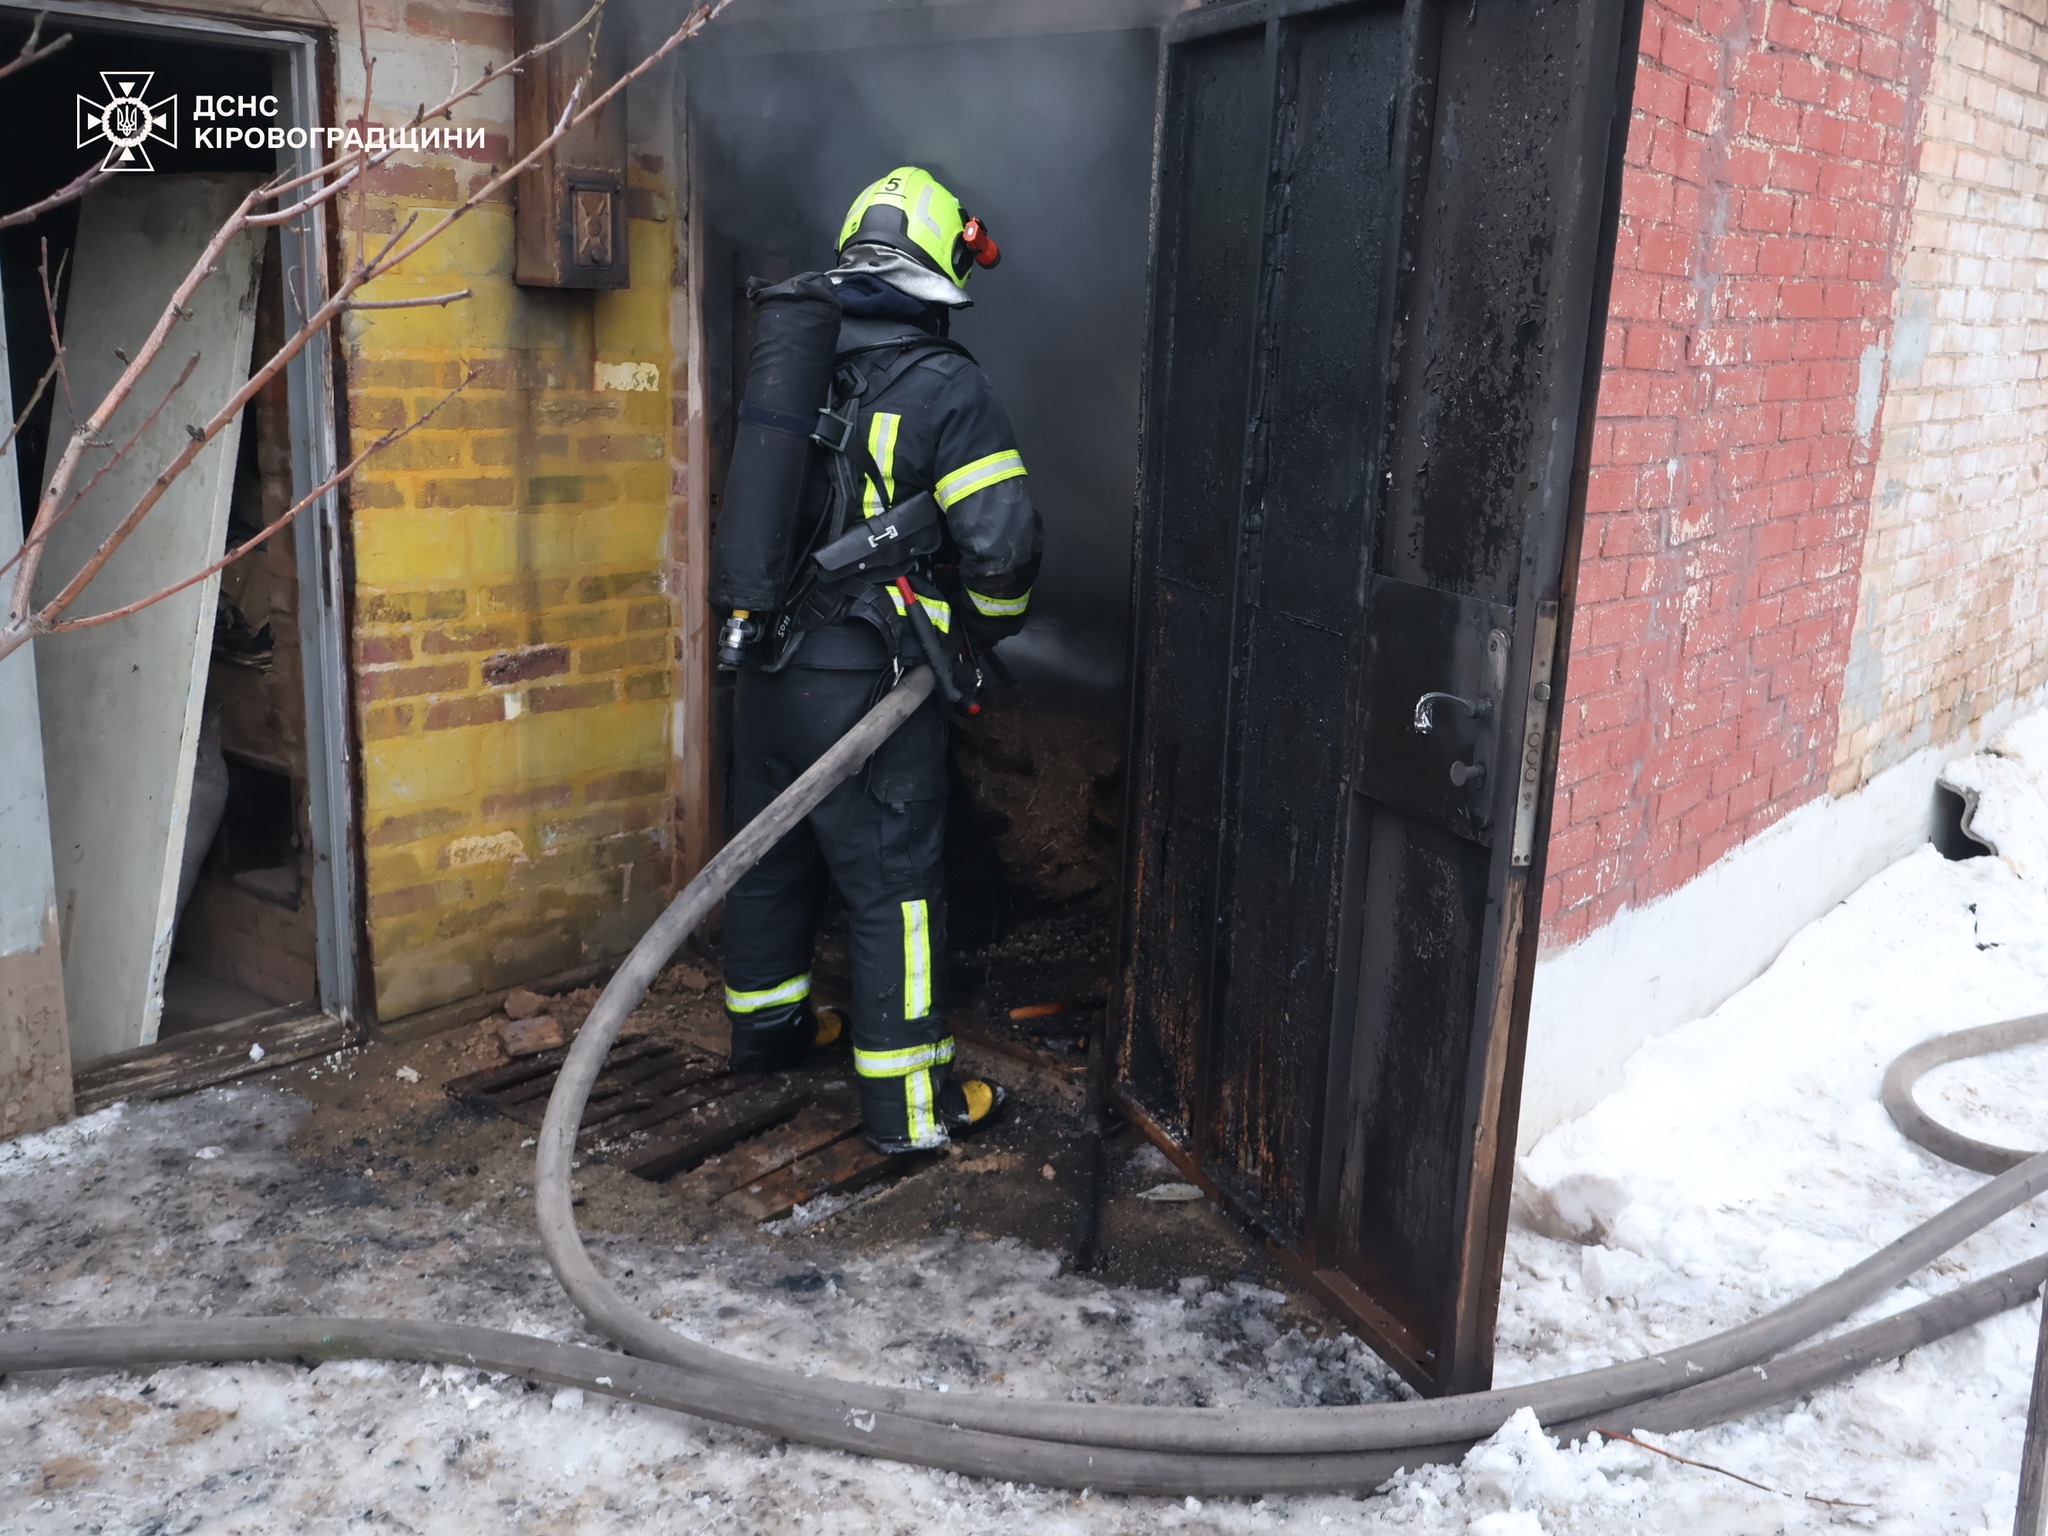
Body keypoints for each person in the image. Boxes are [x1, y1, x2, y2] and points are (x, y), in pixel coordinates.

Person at [717, 167, 1042, 1155]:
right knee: (895, 891)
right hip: (864, 689)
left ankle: (768, 1030)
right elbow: (1003, 544)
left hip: (766, 669)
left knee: (768, 860)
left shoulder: (794, 363)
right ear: (940, 266)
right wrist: (982, 629)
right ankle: (908, 1111)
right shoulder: (944, 384)